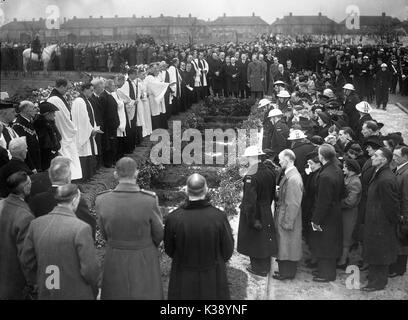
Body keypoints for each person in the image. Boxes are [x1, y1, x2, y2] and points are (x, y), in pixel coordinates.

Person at [95, 157, 164, 299]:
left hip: (115, 254)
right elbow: (158, 233)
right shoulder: (149, 200)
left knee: (115, 294)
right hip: (144, 255)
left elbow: (104, 233)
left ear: (115, 174)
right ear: (136, 173)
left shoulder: (102, 200)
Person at [21, 184, 101, 299]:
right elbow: (90, 270)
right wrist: (94, 289)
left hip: (47, 291)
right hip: (75, 292)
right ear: (75, 200)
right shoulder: (81, 228)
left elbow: (27, 260)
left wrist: (40, 280)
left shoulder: (36, 224)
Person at [164, 173, 234, 299]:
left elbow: (169, 249)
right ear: (206, 189)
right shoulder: (219, 217)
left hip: (183, 274)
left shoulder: (173, 218)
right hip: (212, 274)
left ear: (186, 190)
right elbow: (227, 249)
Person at [28, 156, 96, 238]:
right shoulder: (74, 199)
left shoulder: (37, 199)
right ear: (68, 177)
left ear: (50, 176)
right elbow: (89, 226)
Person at [362, 148, 399, 291]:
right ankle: (374, 278)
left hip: (381, 224)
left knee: (379, 253)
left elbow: (391, 205)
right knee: (375, 252)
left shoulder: (385, 179)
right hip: (375, 221)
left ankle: (378, 283)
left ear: (383, 160)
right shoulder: (379, 173)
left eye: (376, 156)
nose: (372, 157)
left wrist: (386, 223)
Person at [237, 146, 278, 277]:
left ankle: (258, 268)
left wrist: (251, 219)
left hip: (255, 211)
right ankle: (265, 266)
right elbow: (272, 193)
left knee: (254, 240)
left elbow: (249, 200)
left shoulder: (251, 175)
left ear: (252, 157)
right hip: (265, 208)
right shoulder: (270, 171)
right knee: (264, 239)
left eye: (248, 157)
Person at [310, 144, 344, 282]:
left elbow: (323, 202)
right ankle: (324, 271)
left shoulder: (325, 175)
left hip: (327, 216)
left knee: (326, 245)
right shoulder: (336, 169)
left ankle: (327, 274)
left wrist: (316, 220)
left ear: (321, 156)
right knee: (327, 243)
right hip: (334, 212)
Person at [0, 171, 34, 299]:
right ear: (26, 188)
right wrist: (33, 283)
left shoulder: (1, 204)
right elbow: (27, 256)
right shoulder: (25, 216)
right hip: (14, 283)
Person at [274, 149, 304, 280]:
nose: (279, 161)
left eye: (280, 159)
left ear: (287, 159)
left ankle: (286, 273)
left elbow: (293, 204)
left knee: (287, 245)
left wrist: (287, 222)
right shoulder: (291, 175)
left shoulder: (292, 178)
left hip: (287, 217)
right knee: (285, 245)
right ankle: (285, 271)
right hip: (285, 215)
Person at [47, 78, 82, 181]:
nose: (67, 90)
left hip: (64, 131)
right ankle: (67, 179)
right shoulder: (55, 99)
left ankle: (70, 178)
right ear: (61, 86)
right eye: (66, 88)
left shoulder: (57, 97)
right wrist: (73, 128)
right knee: (66, 157)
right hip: (63, 133)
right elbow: (62, 118)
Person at [71, 82, 102, 181]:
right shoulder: (79, 101)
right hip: (82, 132)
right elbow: (83, 119)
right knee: (84, 153)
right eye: (91, 90)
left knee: (88, 152)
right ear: (85, 90)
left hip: (87, 130)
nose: (92, 93)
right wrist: (91, 130)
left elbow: (90, 117)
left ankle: (89, 175)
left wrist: (94, 128)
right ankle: (84, 176)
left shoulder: (86, 100)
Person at [338, 159, 362, 269]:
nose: (343, 169)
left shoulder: (355, 182)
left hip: (349, 213)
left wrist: (338, 203)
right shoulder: (348, 178)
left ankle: (343, 260)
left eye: (345, 167)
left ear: (351, 170)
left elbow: (350, 201)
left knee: (346, 236)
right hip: (344, 212)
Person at [389, 146, 408, 277]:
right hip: (398, 211)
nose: (394, 158)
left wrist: (404, 216)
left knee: (401, 241)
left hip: (402, 213)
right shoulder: (400, 170)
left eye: (396, 156)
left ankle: (399, 269)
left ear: (405, 156)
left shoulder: (406, 174)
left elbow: (406, 197)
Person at [12, 101, 41, 172]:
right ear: (25, 110)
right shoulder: (18, 125)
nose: (36, 110)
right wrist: (32, 167)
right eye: (33, 108)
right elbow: (23, 148)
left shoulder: (29, 122)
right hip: (29, 166)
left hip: (37, 161)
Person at [33, 102, 61, 171]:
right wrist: (53, 150)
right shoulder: (41, 124)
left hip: (52, 154)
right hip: (47, 157)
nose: (54, 115)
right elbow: (45, 144)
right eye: (53, 113)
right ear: (47, 114)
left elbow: (58, 136)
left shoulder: (49, 122)